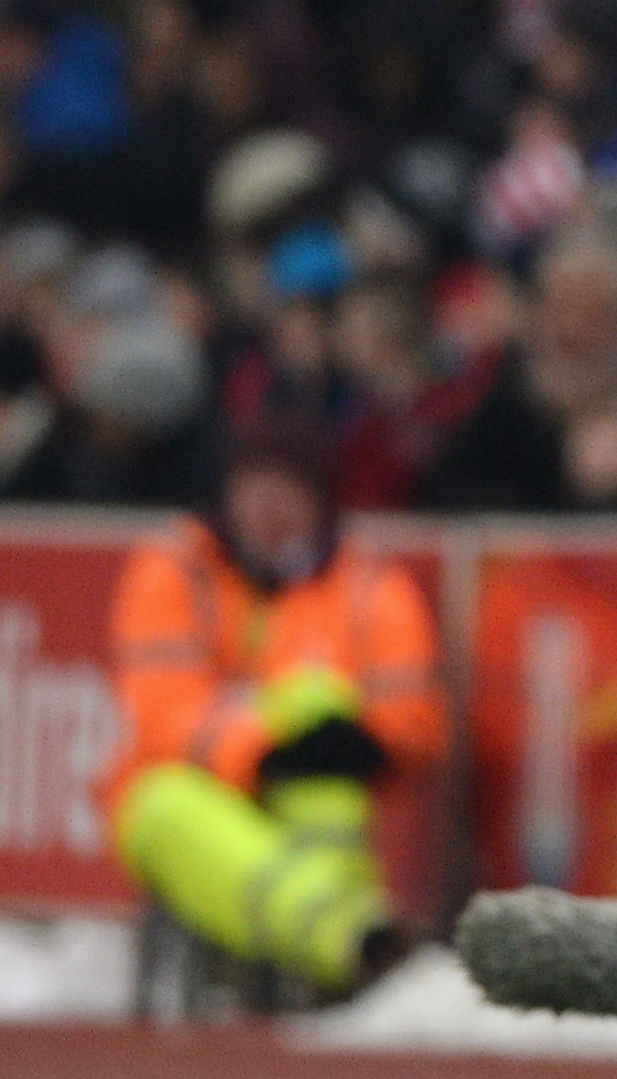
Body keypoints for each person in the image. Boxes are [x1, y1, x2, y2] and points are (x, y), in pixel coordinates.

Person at [105, 421, 444, 995]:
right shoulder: (175, 567)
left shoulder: (371, 585)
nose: (269, 507)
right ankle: (350, 939)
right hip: (191, 792)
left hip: (314, 805)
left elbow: (415, 720)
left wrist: (359, 742)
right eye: (254, 487)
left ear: (321, 501)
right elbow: (162, 711)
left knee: (322, 709)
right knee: (161, 804)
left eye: (288, 489)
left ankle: (339, 945)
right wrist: (264, 750)